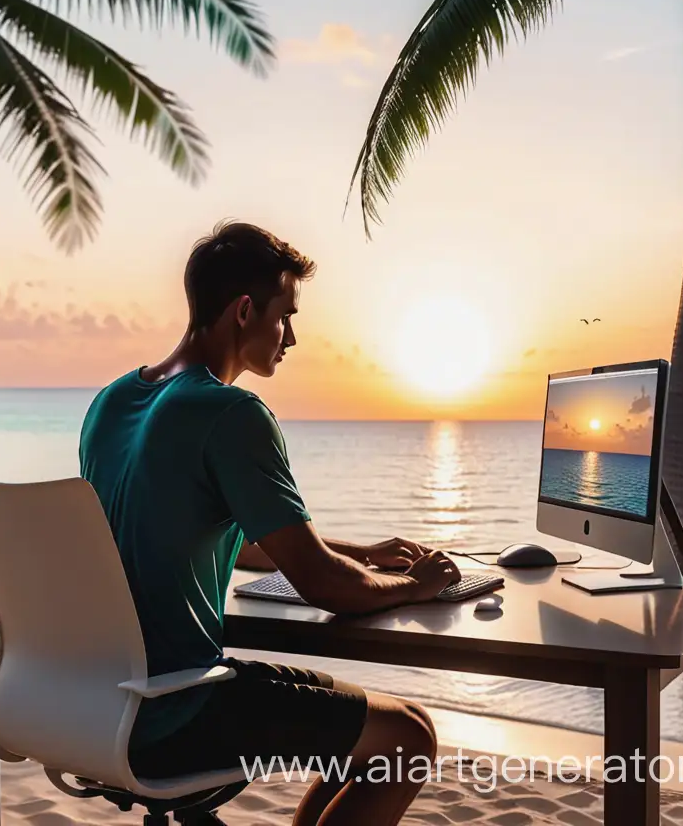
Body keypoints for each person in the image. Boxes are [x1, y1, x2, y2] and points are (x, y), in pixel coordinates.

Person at [79, 221, 460, 826]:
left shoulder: (114, 401)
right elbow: (324, 587)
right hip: (179, 705)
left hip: (95, 704)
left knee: (359, 730)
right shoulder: (231, 412)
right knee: (407, 742)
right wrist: (419, 586)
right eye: (287, 316)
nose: (293, 337)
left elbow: (237, 536)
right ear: (245, 310)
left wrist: (362, 552)